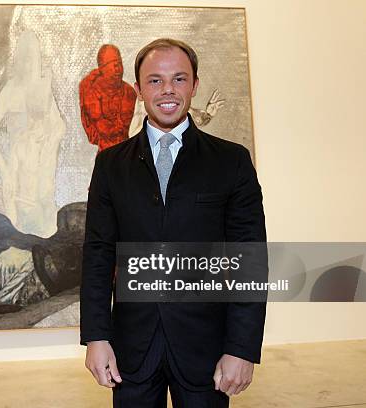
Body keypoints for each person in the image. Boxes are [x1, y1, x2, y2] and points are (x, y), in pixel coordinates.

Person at [80, 38, 266, 407]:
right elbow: (98, 254)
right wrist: (97, 338)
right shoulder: (111, 165)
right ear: (138, 90)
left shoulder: (231, 161)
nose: (167, 90)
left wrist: (241, 349)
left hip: (206, 352)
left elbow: (249, 260)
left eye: (179, 79)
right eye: (154, 80)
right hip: (130, 352)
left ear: (194, 86)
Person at [0, 31, 66, 239]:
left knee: (46, 230)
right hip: (17, 168)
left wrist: (49, 142)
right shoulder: (11, 89)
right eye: (27, 58)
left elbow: (59, 126)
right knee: (17, 231)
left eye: (35, 57)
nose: (32, 64)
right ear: (20, 60)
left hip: (42, 170)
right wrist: (3, 169)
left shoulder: (42, 89)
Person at [79, 44, 137, 152]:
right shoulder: (90, 91)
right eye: (114, 65)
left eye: (120, 64)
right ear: (102, 68)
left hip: (128, 154)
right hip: (105, 154)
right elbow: (92, 127)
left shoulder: (129, 92)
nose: (118, 69)